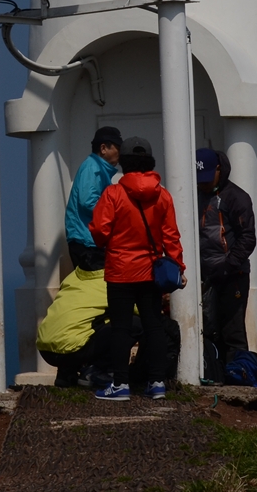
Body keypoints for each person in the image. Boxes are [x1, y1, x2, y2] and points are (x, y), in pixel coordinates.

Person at [88, 136, 185, 401]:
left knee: (120, 328)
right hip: (150, 272)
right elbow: (171, 236)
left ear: (125, 164)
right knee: (154, 326)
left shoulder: (114, 193)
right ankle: (157, 383)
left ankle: (120, 385)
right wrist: (178, 266)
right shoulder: (163, 195)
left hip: (120, 271)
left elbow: (99, 231)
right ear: (150, 163)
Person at [196, 148, 256, 364]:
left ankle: (239, 377)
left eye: (206, 178)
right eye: (199, 179)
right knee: (209, 329)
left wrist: (228, 266)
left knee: (233, 332)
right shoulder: (195, 196)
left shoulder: (237, 197)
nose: (202, 184)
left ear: (219, 169)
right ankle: (215, 376)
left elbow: (248, 238)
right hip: (205, 276)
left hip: (233, 275)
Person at [35, 263, 117, 389]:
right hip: (72, 350)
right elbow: (138, 309)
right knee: (131, 323)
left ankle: (65, 374)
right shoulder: (112, 281)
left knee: (79, 322)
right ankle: (97, 370)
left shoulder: (72, 277)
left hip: (45, 350)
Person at [64, 126, 122, 271]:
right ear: (103, 148)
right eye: (117, 147)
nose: (120, 153)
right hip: (86, 243)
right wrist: (117, 216)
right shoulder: (92, 168)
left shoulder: (97, 168)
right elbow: (88, 202)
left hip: (88, 241)